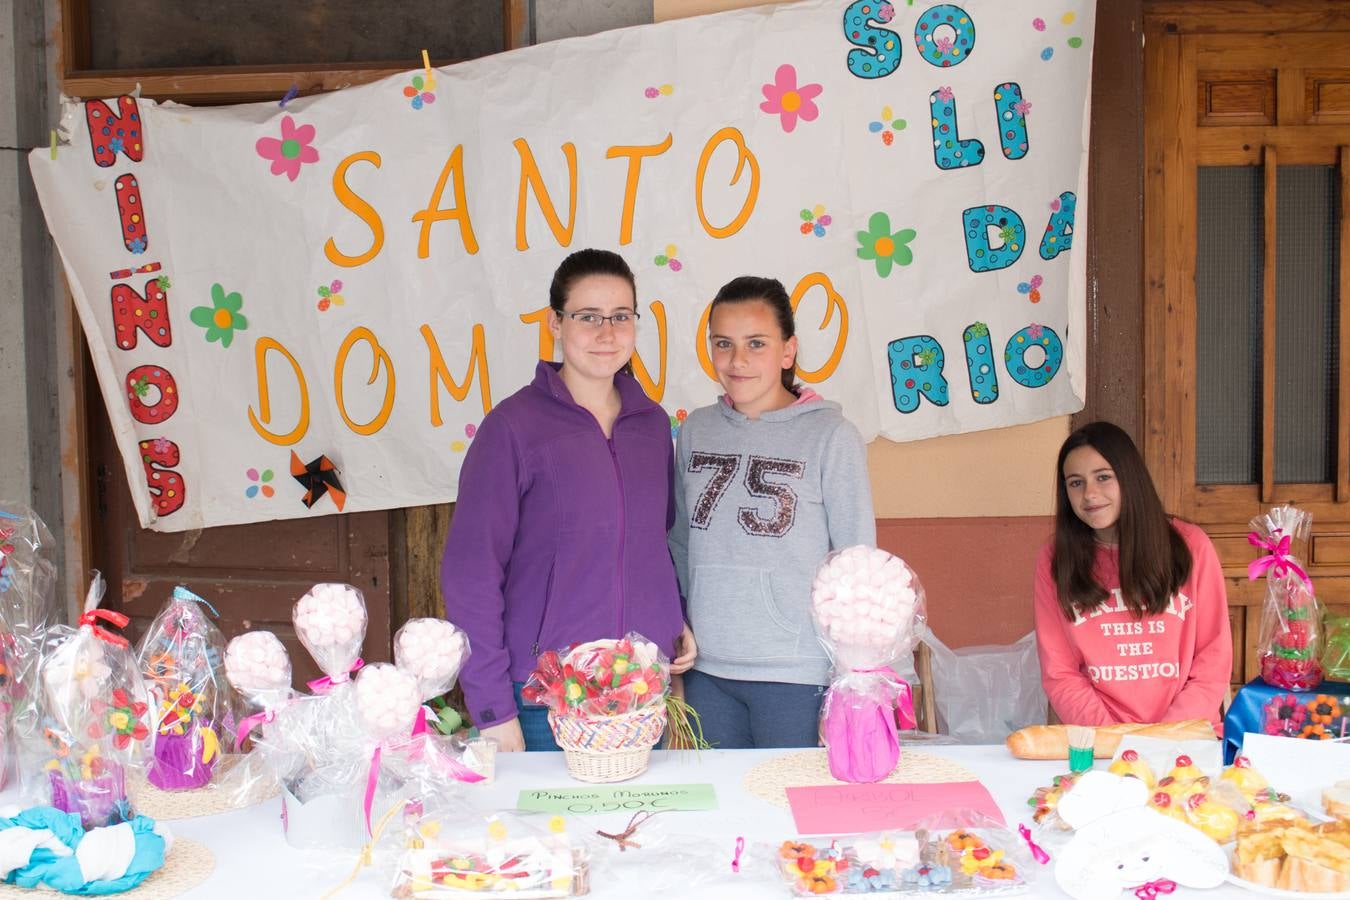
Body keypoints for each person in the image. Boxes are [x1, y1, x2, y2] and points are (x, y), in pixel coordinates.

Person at [441, 249, 695, 752]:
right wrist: (492, 709)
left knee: (640, 831)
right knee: (550, 833)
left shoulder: (650, 425)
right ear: (556, 323)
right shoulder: (513, 428)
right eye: (588, 317)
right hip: (543, 697)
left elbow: (654, 540)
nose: (607, 333)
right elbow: (471, 573)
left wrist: (674, 619)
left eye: (621, 317)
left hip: (638, 690)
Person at [669, 275, 875, 748]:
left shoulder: (832, 436)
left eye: (756, 344)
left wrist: (852, 682)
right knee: (720, 814)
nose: (737, 360)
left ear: (787, 352)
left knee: (789, 810)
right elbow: (679, 541)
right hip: (707, 670)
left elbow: (856, 565)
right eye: (724, 344)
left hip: (796, 673)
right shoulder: (697, 430)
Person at [1033, 420, 1231, 728]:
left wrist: (1162, 738)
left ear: (1130, 478)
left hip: (1183, 738)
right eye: (1076, 483)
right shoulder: (1055, 559)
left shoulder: (1190, 546)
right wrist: (1114, 740)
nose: (1090, 494)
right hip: (1099, 740)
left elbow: (1212, 661)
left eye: (1103, 477)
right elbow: (1060, 673)